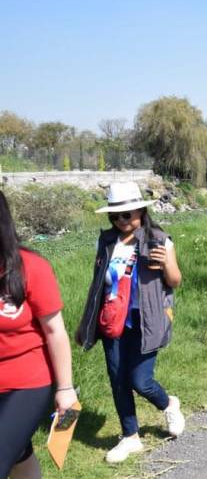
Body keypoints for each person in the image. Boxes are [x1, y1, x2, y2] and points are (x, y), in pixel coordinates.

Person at [75, 182, 184, 463]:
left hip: (146, 319)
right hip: (113, 318)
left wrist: (166, 265)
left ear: (140, 211)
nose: (121, 221)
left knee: (140, 380)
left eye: (127, 214)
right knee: (118, 379)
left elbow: (175, 282)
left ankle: (168, 403)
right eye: (115, 216)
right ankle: (130, 436)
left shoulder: (159, 239)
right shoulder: (107, 241)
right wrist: (88, 321)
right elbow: (99, 282)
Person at [0, 190, 77, 478]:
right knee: (18, 451)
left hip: (25, 383)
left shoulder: (30, 267)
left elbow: (55, 331)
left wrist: (66, 389)